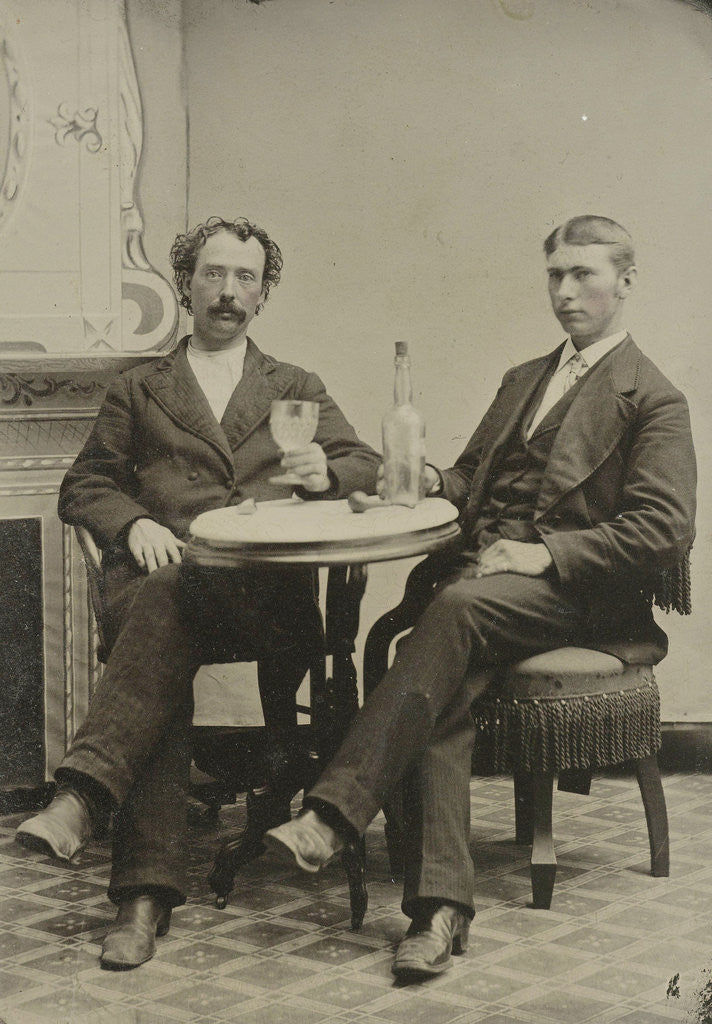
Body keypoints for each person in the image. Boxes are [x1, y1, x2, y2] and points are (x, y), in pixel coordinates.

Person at [264, 215, 697, 980]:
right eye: (556, 275)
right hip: (485, 584)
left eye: (584, 274)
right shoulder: (524, 377)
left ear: (626, 282)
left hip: (580, 596)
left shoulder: (654, 398)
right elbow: (471, 480)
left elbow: (663, 529)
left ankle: (333, 813)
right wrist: (431, 480)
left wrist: (544, 553)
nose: (566, 291)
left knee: (452, 616)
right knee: (443, 689)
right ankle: (438, 913)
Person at [16, 215, 379, 969]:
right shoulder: (139, 387)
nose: (228, 291)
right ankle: (141, 897)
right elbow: (84, 484)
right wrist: (134, 521)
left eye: (246, 277)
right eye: (213, 274)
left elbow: (364, 464)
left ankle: (90, 807)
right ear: (185, 284)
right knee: (162, 610)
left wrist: (327, 473)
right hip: (168, 585)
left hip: (262, 598)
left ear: (264, 294)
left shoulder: (294, 385)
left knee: (154, 621)